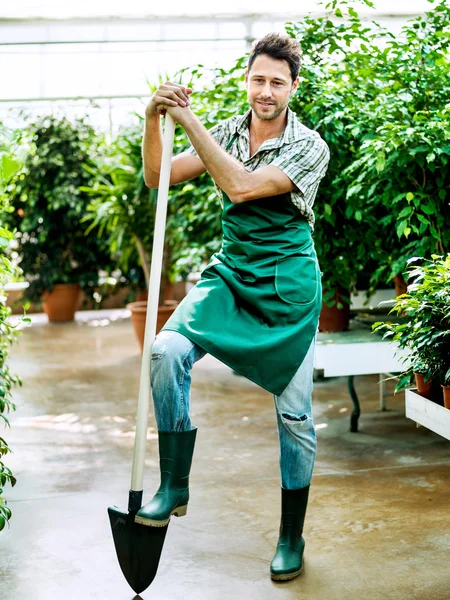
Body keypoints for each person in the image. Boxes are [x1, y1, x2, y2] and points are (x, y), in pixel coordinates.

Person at [135, 32, 330, 582]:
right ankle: (174, 483)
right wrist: (156, 117)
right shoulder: (227, 131)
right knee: (166, 352)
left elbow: (242, 186)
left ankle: (291, 535)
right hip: (232, 273)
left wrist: (189, 120)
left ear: (293, 86)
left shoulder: (309, 145)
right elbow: (158, 177)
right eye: (258, 79)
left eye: (276, 82)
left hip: (286, 290)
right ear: (247, 80)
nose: (264, 92)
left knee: (294, 417)